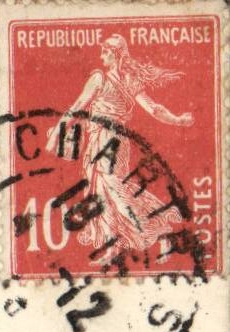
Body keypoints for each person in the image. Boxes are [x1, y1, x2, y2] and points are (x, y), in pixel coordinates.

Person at [46, 35, 193, 257]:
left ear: (115, 54)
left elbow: (77, 106)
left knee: (113, 190)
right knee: (103, 190)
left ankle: (157, 232)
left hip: (106, 141)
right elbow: (155, 109)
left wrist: (57, 131)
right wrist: (178, 120)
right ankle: (114, 243)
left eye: (105, 52)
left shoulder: (100, 78)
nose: (101, 56)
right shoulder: (129, 80)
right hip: (114, 141)